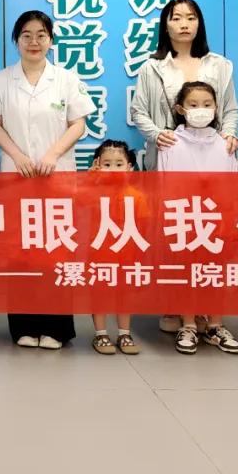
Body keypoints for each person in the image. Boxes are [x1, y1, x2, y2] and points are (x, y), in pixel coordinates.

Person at [0, 10, 94, 350]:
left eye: (41, 35)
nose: (34, 41)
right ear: (16, 41)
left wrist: (52, 156)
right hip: (16, 175)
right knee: (20, 251)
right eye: (26, 35)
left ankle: (56, 328)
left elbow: (78, 124)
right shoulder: (1, 80)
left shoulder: (66, 79)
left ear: (51, 40)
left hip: (56, 174)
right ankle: (24, 327)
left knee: (56, 248)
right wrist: (18, 157)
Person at [131, 0, 238, 335]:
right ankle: (176, 307)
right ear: (165, 25)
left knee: (211, 231)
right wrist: (157, 134)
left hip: (211, 160)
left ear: (199, 23)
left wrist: (230, 136)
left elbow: (231, 109)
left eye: (191, 17)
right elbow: (138, 111)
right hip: (171, 156)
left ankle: (208, 309)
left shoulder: (219, 65)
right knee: (174, 231)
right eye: (176, 17)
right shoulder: (152, 67)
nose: (184, 24)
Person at [159, 81, 238, 355]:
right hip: (184, 219)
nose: (201, 109)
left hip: (218, 220)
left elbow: (233, 185)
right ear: (180, 109)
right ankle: (188, 324)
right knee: (187, 271)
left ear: (216, 108)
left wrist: (231, 220)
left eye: (207, 104)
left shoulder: (225, 144)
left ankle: (215, 325)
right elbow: (164, 185)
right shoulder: (170, 143)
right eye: (193, 104)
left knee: (216, 272)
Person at [87, 140, 141, 356]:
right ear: (97, 165)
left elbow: (144, 226)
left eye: (119, 164)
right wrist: (91, 181)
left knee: (124, 295)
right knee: (100, 293)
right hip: (100, 255)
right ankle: (100, 333)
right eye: (106, 164)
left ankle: (124, 333)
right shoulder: (93, 192)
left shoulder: (136, 195)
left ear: (130, 168)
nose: (113, 169)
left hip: (127, 256)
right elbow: (79, 203)